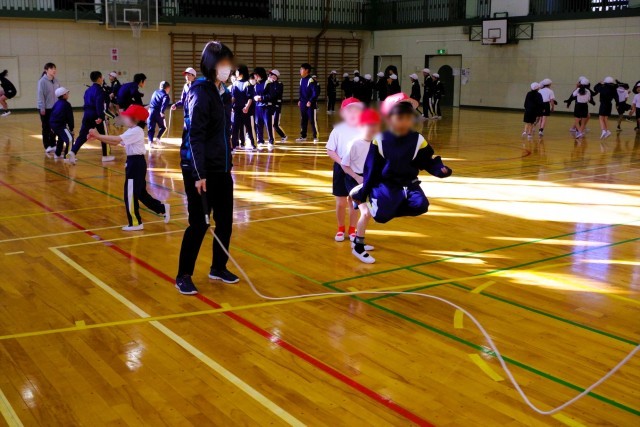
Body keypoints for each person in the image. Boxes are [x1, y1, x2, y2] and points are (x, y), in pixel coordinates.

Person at [349, 93, 452, 264]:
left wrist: (440, 170)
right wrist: (364, 191)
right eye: (400, 117)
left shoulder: (417, 140)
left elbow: (427, 161)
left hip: (408, 183)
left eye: (408, 118)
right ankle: (373, 200)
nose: (405, 122)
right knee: (381, 217)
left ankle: (389, 205)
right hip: (386, 183)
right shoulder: (380, 140)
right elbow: (371, 169)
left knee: (421, 205)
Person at [176, 40, 239, 295]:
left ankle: (218, 267)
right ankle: (183, 275)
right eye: (224, 63)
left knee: (225, 221)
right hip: (200, 170)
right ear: (212, 65)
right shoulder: (200, 93)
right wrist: (199, 174)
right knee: (199, 223)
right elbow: (195, 136)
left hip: (221, 168)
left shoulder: (223, 93)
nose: (228, 68)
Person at [87, 104, 170, 231]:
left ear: (134, 119)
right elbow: (117, 142)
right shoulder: (132, 131)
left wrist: (98, 135)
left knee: (130, 193)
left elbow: (116, 140)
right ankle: (162, 208)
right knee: (140, 193)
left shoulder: (136, 131)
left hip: (135, 164)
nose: (124, 118)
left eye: (126, 116)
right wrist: (99, 138)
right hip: (135, 163)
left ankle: (135, 223)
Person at [341, 108, 380, 261]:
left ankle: (357, 240)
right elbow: (344, 165)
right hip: (354, 180)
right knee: (366, 212)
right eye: (369, 125)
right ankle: (358, 248)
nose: (373, 128)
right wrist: (357, 177)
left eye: (375, 125)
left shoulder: (376, 143)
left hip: (367, 179)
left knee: (368, 213)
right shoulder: (354, 144)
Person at [326, 97, 365, 242]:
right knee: (341, 202)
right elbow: (330, 150)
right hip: (341, 168)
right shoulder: (338, 130)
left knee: (354, 202)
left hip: (357, 169)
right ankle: (340, 228)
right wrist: (342, 162)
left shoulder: (364, 129)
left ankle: (352, 229)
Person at [67, 71, 114, 164]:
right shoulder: (99, 90)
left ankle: (73, 151)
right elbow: (99, 104)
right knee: (103, 135)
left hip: (87, 114)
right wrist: (100, 116)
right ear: (99, 78)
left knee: (83, 135)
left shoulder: (88, 90)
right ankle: (105, 156)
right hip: (96, 115)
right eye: (102, 77)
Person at [230, 65, 256, 150]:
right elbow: (233, 97)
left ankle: (253, 144)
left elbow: (250, 98)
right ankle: (234, 145)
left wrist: (247, 107)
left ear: (242, 72)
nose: (236, 73)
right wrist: (230, 106)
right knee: (235, 127)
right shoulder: (235, 83)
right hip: (237, 109)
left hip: (245, 109)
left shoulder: (247, 83)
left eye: (237, 71)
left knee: (248, 127)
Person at [171, 67, 197, 150]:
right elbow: (183, 100)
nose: (187, 77)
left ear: (194, 76)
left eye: (189, 75)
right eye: (186, 75)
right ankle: (186, 149)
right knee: (186, 132)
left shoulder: (198, 86)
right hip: (187, 113)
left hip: (195, 113)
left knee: (194, 131)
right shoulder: (186, 86)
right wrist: (176, 104)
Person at [37, 62, 61, 153]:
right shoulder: (42, 81)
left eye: (54, 68)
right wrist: (42, 108)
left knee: (54, 127)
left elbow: (59, 94)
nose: (54, 70)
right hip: (46, 108)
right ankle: (47, 146)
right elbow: (40, 95)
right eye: (51, 69)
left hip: (55, 108)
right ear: (46, 70)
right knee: (46, 127)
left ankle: (53, 144)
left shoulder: (56, 81)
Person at [296, 63, 319, 143]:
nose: (300, 71)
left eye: (302, 69)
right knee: (303, 120)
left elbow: (315, 92)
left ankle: (315, 136)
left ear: (306, 70)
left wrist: (310, 101)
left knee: (312, 121)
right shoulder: (301, 80)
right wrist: (300, 100)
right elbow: (301, 92)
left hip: (310, 104)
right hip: (303, 103)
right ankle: (303, 136)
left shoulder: (311, 80)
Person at [49, 87, 74, 160]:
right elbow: (70, 118)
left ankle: (57, 154)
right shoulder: (66, 104)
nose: (68, 94)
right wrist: (71, 128)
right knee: (70, 139)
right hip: (60, 125)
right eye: (67, 93)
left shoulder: (56, 103)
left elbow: (51, 114)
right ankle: (68, 156)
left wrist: (51, 127)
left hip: (53, 124)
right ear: (63, 95)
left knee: (61, 138)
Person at [147, 81, 171, 148]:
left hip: (150, 112)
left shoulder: (155, 92)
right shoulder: (166, 96)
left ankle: (150, 142)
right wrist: (162, 112)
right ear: (167, 88)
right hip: (158, 113)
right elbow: (164, 104)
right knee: (163, 127)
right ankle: (158, 138)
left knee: (151, 128)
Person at [266, 69, 287, 143]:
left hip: (277, 106)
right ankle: (272, 139)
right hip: (270, 106)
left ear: (275, 76)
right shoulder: (268, 84)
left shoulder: (279, 84)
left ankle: (283, 136)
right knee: (271, 123)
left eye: (271, 75)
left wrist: (273, 82)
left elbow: (276, 94)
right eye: (269, 75)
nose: (269, 76)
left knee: (275, 124)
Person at [252, 67, 270, 148]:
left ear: (259, 75)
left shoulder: (267, 83)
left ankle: (271, 140)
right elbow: (254, 95)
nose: (254, 76)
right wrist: (255, 97)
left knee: (268, 124)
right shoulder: (256, 84)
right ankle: (260, 140)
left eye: (255, 74)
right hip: (257, 107)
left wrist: (261, 98)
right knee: (258, 124)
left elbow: (270, 95)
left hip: (266, 107)